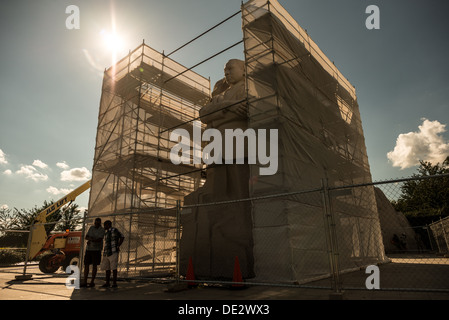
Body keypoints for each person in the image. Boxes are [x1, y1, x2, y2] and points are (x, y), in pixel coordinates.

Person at [81, 217, 105, 288]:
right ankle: (85, 281)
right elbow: (86, 237)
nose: (96, 224)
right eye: (95, 223)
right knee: (86, 265)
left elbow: (99, 239)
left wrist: (91, 239)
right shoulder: (91, 228)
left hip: (96, 250)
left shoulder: (102, 230)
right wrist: (92, 239)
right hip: (89, 249)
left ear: (100, 223)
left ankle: (92, 281)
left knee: (94, 265)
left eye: (98, 223)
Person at [100, 220, 124, 288]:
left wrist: (118, 245)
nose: (104, 226)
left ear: (108, 225)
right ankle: (107, 282)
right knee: (107, 268)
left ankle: (114, 283)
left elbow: (122, 236)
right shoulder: (107, 232)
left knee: (113, 268)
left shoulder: (114, 230)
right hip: (107, 252)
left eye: (105, 225)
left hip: (113, 251)